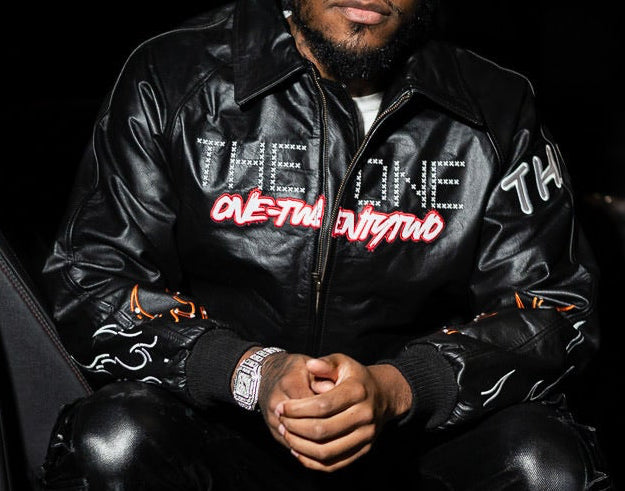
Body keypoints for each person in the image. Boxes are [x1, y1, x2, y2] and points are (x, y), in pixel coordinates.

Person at [39, 0, 612, 489]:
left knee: (544, 463)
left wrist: (401, 387)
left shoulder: (497, 106)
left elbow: (557, 307)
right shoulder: (172, 75)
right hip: (222, 440)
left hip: (415, 452)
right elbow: (92, 277)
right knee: (115, 437)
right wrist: (253, 373)